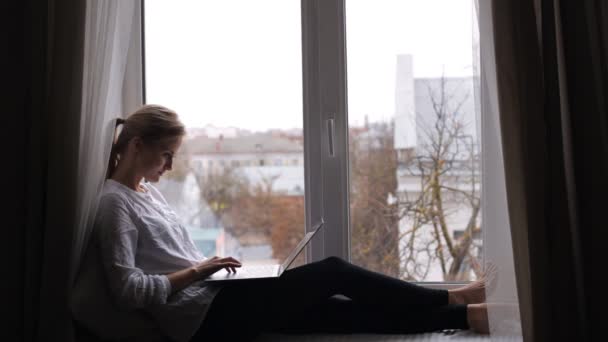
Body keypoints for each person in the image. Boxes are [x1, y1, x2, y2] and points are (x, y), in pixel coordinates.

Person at [97, 104, 492, 342]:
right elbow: (127, 292)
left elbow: (170, 259)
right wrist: (200, 270)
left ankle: (468, 317)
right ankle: (451, 297)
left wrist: (221, 271)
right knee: (333, 271)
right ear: (136, 146)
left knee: (336, 312)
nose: (170, 166)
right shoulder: (115, 204)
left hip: (214, 298)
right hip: (200, 323)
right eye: (166, 155)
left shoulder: (147, 192)